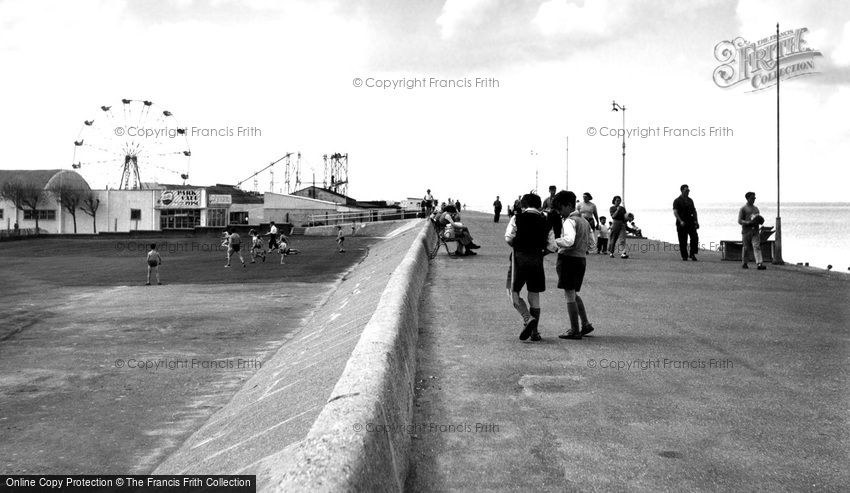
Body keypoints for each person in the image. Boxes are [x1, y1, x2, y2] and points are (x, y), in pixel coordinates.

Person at [505, 193, 556, 341]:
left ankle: (527, 318)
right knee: (534, 295)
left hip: (518, 259)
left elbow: (508, 238)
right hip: (537, 260)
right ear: (540, 205)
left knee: (512, 291)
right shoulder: (546, 220)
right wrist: (540, 253)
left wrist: (519, 247)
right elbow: (552, 246)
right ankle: (535, 332)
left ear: (522, 205)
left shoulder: (517, 218)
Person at [552, 191, 596, 339]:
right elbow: (592, 244)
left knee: (569, 295)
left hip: (568, 260)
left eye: (560, 208)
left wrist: (555, 242)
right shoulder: (584, 221)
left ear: (569, 206)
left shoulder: (569, 221)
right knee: (574, 293)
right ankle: (585, 323)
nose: (559, 212)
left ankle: (574, 329)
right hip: (581, 260)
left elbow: (568, 241)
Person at [738, 191, 767, 270]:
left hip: (755, 230)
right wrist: (747, 222)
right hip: (746, 231)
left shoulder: (756, 209)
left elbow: (758, 219)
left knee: (756, 246)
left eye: (754, 198)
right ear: (747, 198)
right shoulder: (743, 209)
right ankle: (744, 263)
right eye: (752, 198)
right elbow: (739, 221)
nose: (754, 199)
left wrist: (760, 221)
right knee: (746, 247)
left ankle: (759, 263)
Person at [673, 184, 699, 261]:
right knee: (683, 240)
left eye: (688, 190)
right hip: (681, 222)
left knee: (694, 237)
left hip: (690, 221)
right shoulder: (677, 201)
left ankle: (692, 254)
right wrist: (680, 221)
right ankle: (684, 255)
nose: (688, 192)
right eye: (686, 190)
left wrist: (696, 221)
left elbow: (694, 211)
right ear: (682, 190)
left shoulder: (690, 200)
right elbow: (675, 212)